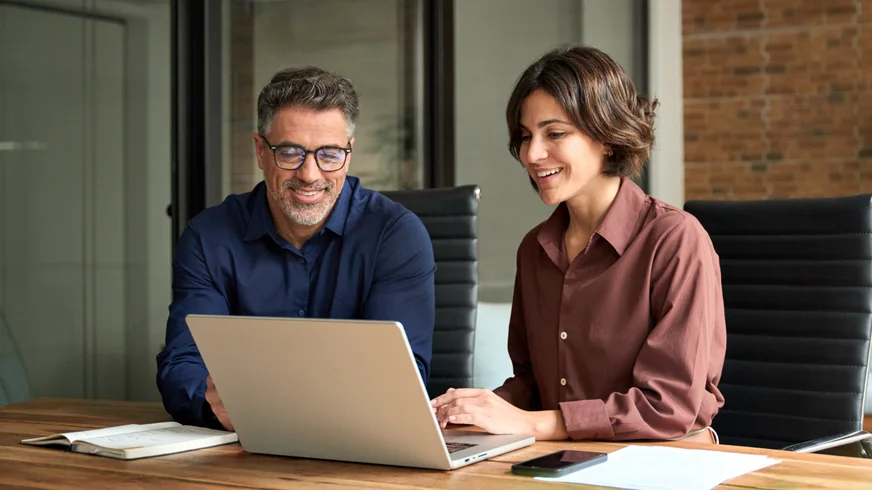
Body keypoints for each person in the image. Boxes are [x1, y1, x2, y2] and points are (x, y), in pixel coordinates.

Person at [431, 45, 726, 443]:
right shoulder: (534, 249)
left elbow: (668, 406)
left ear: (606, 136)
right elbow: (535, 384)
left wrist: (532, 424)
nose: (532, 154)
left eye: (554, 133)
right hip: (565, 457)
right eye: (524, 136)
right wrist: (474, 407)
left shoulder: (674, 241)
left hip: (662, 460)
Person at [157, 67, 436, 431]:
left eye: (330, 154)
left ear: (348, 154)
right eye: (289, 152)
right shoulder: (207, 237)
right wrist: (213, 405)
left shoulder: (396, 235)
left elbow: (401, 378)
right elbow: (183, 365)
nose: (310, 174)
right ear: (260, 150)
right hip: (240, 444)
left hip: (360, 448)